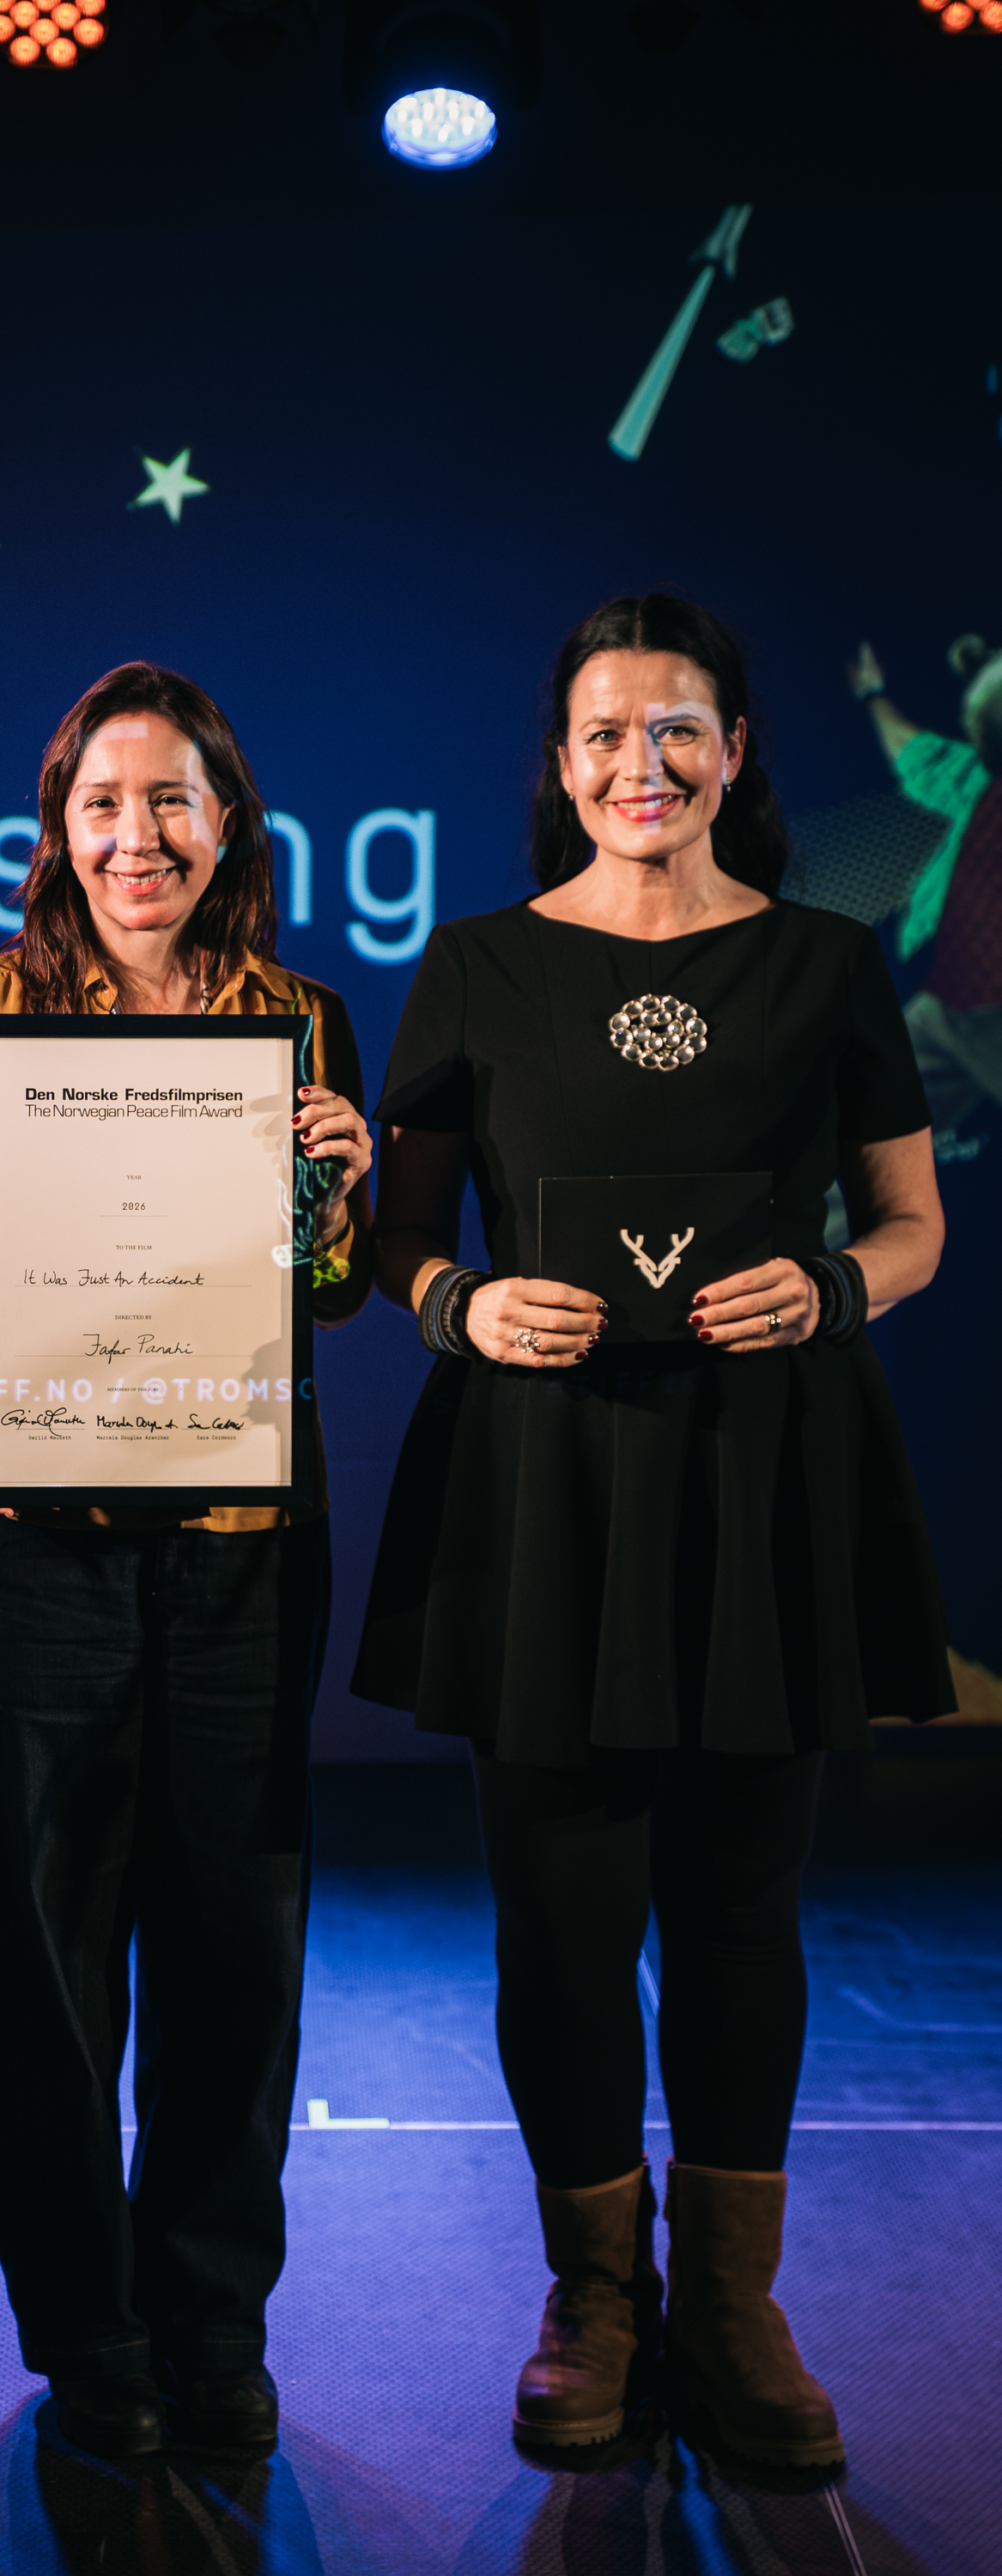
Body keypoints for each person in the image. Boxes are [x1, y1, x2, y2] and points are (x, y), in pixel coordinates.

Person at [355, 596, 951, 2473]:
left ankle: (733, 2307)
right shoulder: (471, 968)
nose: (642, 765)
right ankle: (593, 2300)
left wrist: (830, 1294)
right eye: (607, 733)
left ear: (739, 752)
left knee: (739, 1908)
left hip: (761, 1486)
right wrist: (461, 1308)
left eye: (679, 730)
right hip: (545, 1497)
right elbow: (387, 1242)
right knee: (559, 1918)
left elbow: (911, 1224)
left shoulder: (829, 964)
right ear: (558, 765)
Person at [0, 661, 373, 2461]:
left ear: (227, 823)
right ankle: (85, 2338)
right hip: (40, 1545)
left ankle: (210, 2319)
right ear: (59, 827)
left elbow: (318, 1289)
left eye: (171, 800)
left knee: (234, 1940)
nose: (138, 834)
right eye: (104, 802)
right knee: (44, 1947)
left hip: (244, 1542)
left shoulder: (301, 1020)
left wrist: (336, 1196)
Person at [847, 633, 1002, 1163]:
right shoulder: (973, 777)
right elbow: (911, 749)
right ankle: (801, 1238)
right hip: (949, 1004)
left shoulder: (975, 777)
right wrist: (873, 694)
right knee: (866, 1139)